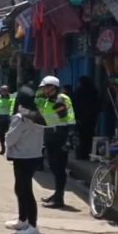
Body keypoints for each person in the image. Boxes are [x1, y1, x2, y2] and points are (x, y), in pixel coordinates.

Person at [5, 86, 46, 234]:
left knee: (25, 190)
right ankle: (23, 219)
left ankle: (33, 225)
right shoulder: (40, 117)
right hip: (33, 156)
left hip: (22, 157)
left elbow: (10, 139)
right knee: (21, 188)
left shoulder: (20, 118)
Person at [37, 76, 76, 208]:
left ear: (53, 87)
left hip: (59, 134)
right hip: (49, 135)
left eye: (47, 87)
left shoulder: (62, 98)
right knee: (53, 166)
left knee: (59, 167)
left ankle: (59, 199)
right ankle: (57, 194)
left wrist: (70, 136)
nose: (44, 90)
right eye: (44, 88)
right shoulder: (48, 101)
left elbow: (69, 117)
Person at [74, 76, 100, 160]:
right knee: (90, 137)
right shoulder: (94, 91)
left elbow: (75, 105)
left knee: (81, 137)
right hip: (92, 119)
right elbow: (97, 105)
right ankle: (90, 153)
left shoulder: (79, 92)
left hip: (81, 119)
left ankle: (82, 155)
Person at [0, 85, 12, 155]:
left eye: (5, 90)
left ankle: (9, 149)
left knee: (10, 134)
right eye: (3, 90)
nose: (4, 92)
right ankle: (3, 147)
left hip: (9, 117)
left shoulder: (11, 98)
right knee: (0, 134)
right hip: (0, 117)